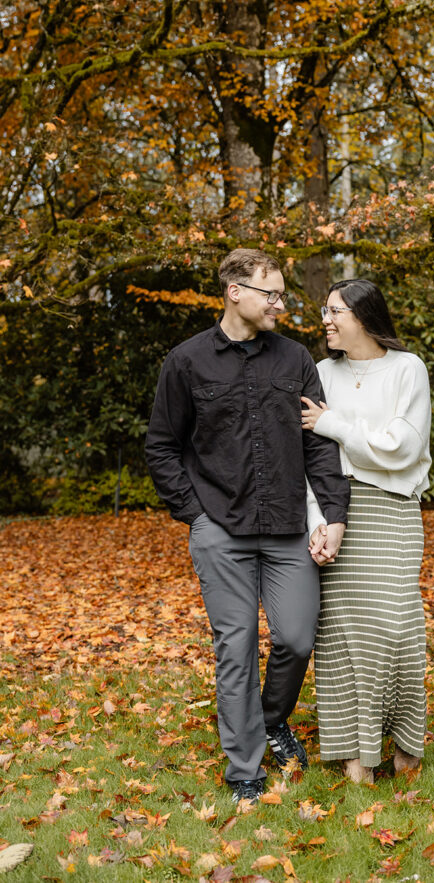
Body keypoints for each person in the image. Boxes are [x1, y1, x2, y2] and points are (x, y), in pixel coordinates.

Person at [145, 249, 349, 806]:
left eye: (282, 294)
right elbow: (162, 446)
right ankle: (244, 772)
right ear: (235, 291)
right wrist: (194, 514)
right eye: (271, 294)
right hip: (221, 531)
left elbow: (319, 445)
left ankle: (271, 719)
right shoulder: (186, 362)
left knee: (294, 637)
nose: (280, 305)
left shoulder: (295, 359)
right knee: (235, 646)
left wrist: (333, 515)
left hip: (286, 529)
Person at [301, 279, 431, 783]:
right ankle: (354, 754)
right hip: (337, 509)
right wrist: (317, 520)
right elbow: (311, 459)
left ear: (363, 315)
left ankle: (405, 741)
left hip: (393, 509)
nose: (326, 320)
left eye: (335, 311)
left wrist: (334, 425)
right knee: (340, 634)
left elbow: (400, 446)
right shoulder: (319, 373)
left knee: (396, 628)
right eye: (325, 310)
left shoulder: (407, 369)